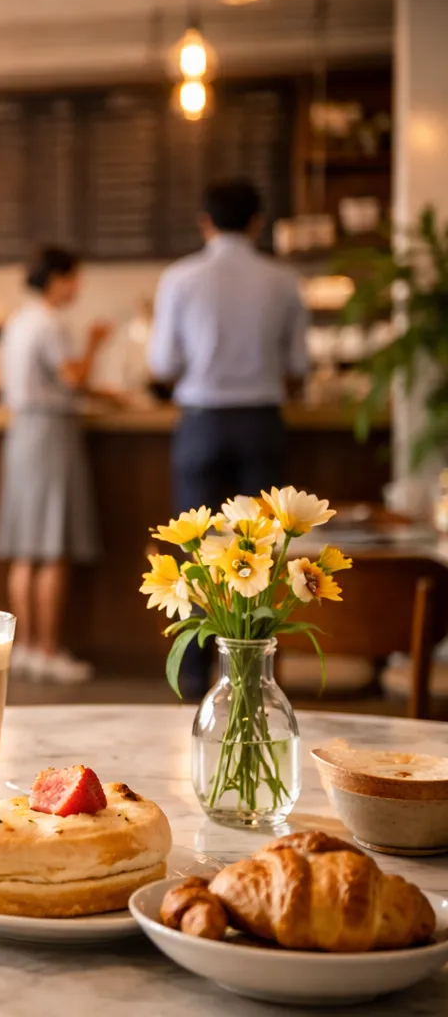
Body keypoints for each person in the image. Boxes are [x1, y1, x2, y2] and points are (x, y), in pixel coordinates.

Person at [148, 179, 309, 697]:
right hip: (261, 420)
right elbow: (299, 364)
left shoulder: (179, 278)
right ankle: (252, 677)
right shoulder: (283, 279)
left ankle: (196, 678)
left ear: (205, 222)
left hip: (201, 421)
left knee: (198, 551)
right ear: (258, 223)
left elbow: (162, 363)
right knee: (262, 549)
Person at [0, 246, 112, 684]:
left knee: (26, 548)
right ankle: (47, 649)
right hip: (51, 435)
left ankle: (24, 648)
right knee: (53, 547)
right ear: (58, 279)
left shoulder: (19, 320)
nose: (78, 287)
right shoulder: (52, 323)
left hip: (22, 432)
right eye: (75, 277)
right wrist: (97, 343)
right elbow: (73, 378)